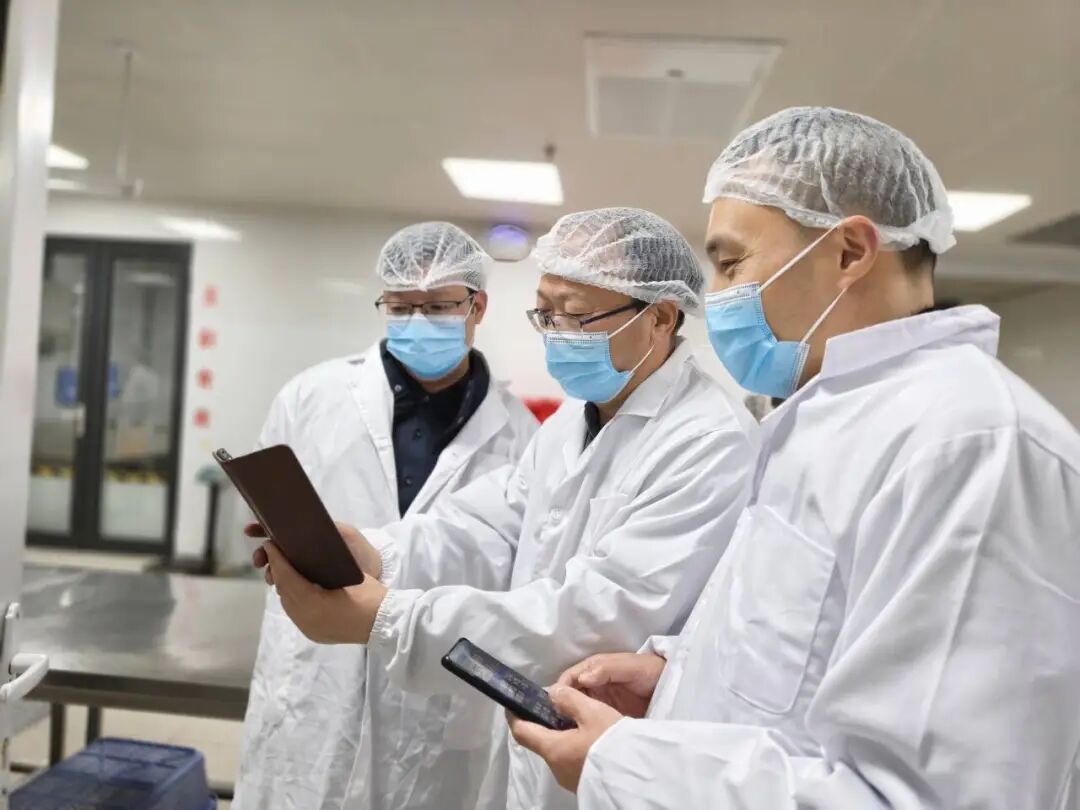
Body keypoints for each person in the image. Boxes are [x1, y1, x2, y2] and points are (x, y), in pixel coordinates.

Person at [508, 107, 1080, 808]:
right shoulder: (831, 418)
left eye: (730, 264)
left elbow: (925, 796)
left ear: (849, 252)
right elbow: (806, 655)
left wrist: (626, 765)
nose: (716, 297)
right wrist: (679, 678)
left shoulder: (973, 446)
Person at [257, 207, 762, 810]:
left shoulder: (708, 440)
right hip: (534, 738)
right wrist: (377, 552)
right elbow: (491, 526)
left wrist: (390, 620)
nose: (556, 334)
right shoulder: (575, 420)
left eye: (576, 316)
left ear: (660, 316)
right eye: (545, 314)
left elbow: (593, 618)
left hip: (612, 751)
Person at [232, 221, 538, 810]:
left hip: (433, 699)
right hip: (314, 682)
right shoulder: (311, 397)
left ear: (477, 307)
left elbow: (513, 577)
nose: (418, 321)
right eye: (400, 306)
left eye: (439, 306)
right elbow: (266, 518)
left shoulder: (522, 437)